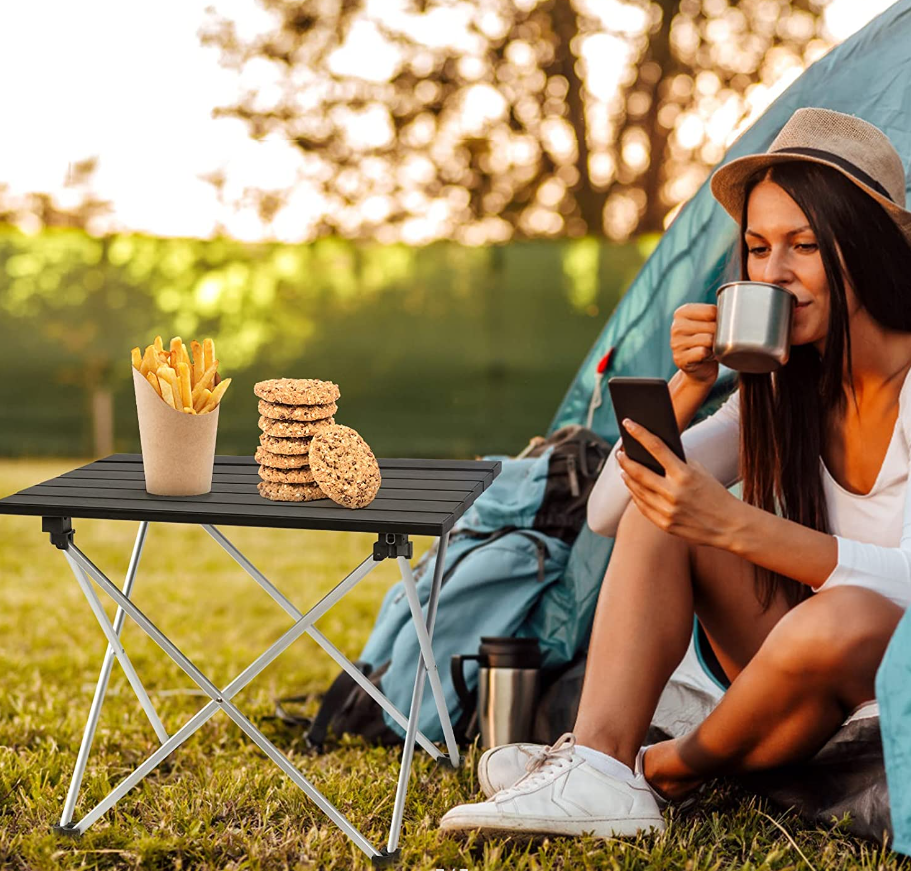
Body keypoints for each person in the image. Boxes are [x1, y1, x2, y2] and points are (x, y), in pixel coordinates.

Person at [439, 107, 911, 839]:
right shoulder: (785, 391)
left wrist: (739, 524)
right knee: (661, 510)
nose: (774, 273)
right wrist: (688, 383)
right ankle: (599, 761)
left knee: (837, 616)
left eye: (804, 245)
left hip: (877, 655)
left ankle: (652, 769)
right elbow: (607, 512)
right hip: (795, 664)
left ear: (868, 248)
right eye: (756, 249)